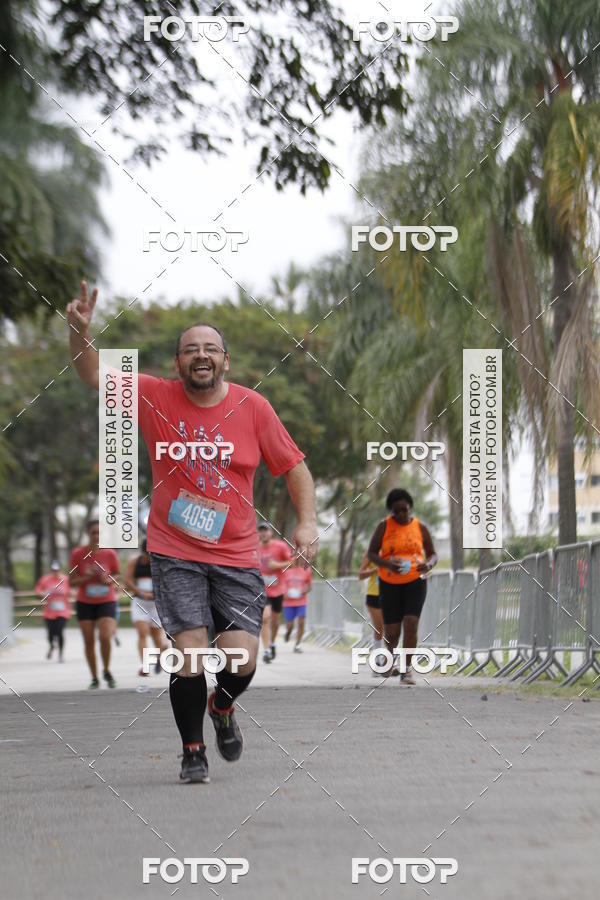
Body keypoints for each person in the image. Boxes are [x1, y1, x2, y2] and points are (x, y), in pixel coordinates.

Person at [67, 282, 318, 784]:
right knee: (190, 652)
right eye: (189, 350)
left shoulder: (253, 407)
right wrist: (79, 331)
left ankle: (222, 707)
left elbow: (294, 468)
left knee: (242, 658)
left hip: (238, 553)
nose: (200, 356)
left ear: (225, 360)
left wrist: (306, 521)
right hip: (174, 548)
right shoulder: (153, 394)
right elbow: (94, 374)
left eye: (209, 349)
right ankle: (192, 751)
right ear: (177, 363)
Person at [367, 488, 437, 685]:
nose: (400, 515)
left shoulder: (420, 527)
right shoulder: (384, 527)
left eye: (403, 510)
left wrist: (429, 564)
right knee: (392, 631)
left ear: (410, 508)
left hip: (416, 580)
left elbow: (432, 553)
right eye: (395, 511)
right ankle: (390, 659)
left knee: (411, 623)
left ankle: (407, 671)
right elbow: (372, 554)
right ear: (391, 511)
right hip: (389, 583)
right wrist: (389, 564)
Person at [69, 519, 121, 689]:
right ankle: (94, 677)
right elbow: (71, 582)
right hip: (85, 602)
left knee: (105, 637)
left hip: (106, 600)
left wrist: (107, 579)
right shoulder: (78, 554)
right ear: (87, 534)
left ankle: (106, 670)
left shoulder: (110, 553)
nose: (96, 536)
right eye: (93, 533)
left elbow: (118, 575)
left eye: (99, 533)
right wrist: (87, 576)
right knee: (89, 641)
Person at [124, 539, 170, 676]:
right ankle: (144, 665)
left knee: (156, 636)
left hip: (156, 604)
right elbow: (128, 580)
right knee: (142, 633)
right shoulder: (134, 561)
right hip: (140, 602)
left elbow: (165, 581)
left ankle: (160, 656)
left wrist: (155, 594)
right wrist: (141, 593)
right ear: (142, 552)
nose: (148, 559)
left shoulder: (159, 563)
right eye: (146, 555)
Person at [258, 521, 294, 663]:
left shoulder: (280, 546)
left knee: (275, 621)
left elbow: (293, 562)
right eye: (261, 530)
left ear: (271, 532)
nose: (264, 533)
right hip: (262, 589)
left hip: (278, 589)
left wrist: (276, 565)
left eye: (266, 530)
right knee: (265, 618)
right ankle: (266, 650)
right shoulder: (255, 547)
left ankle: (272, 643)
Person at [35, 560, 72, 662]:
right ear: (51, 569)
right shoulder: (45, 579)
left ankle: (61, 654)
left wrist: (67, 592)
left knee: (60, 631)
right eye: (53, 570)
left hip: (63, 611)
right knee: (50, 633)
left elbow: (71, 591)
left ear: (60, 569)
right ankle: (52, 646)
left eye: (57, 570)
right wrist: (44, 594)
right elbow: (38, 590)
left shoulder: (65, 579)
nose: (55, 571)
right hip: (49, 611)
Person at [358, 552, 386, 672]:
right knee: (379, 628)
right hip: (373, 594)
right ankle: (377, 662)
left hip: (391, 594)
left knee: (391, 629)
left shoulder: (394, 551)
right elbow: (361, 575)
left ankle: (388, 661)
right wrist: (376, 569)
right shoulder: (371, 553)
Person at [282, 564, 312, 652]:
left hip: (301, 601)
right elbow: (280, 584)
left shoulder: (306, 569)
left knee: (301, 622)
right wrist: (284, 594)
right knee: (290, 626)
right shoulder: (285, 569)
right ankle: (288, 633)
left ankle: (297, 645)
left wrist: (302, 591)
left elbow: (309, 587)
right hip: (288, 602)